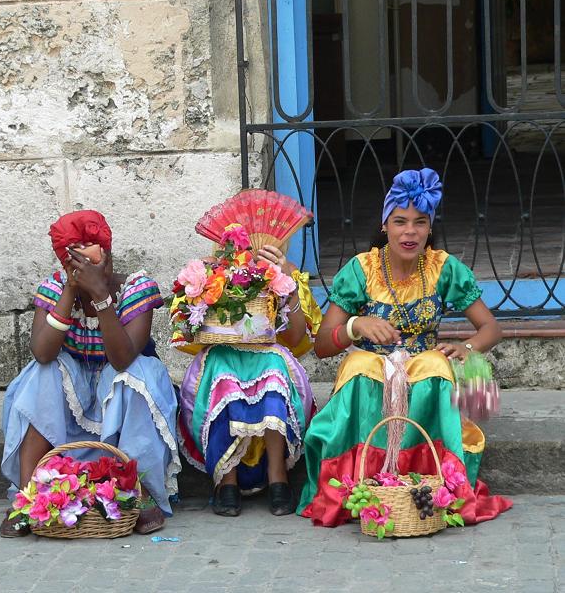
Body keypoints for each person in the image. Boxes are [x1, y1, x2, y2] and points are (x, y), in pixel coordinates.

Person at [297, 168, 512, 525]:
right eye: (400, 222)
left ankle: (432, 480)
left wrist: (468, 347)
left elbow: (490, 327)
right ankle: (357, 481)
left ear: (430, 229)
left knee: (436, 365)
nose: (409, 232)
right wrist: (355, 325)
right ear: (385, 225)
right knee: (357, 366)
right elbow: (321, 345)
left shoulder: (443, 268)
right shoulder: (361, 270)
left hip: (423, 370)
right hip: (374, 372)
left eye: (419, 223)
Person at [0, 210, 180, 537]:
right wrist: (70, 291)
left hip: (123, 390)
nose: (91, 263)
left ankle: (136, 495)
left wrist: (101, 296)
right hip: (74, 394)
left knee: (132, 376)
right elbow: (42, 351)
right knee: (42, 371)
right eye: (79, 257)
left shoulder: (134, 287)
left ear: (108, 255)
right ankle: (26, 498)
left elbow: (123, 357)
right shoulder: (55, 287)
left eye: (97, 252)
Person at [175, 244, 320, 517]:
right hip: (221, 354)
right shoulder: (211, 271)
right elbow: (188, 331)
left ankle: (278, 475)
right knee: (220, 368)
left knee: (273, 363)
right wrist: (205, 287)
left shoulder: (286, 273)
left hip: (267, 352)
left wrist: (285, 281)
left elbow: (296, 335)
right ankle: (226, 478)